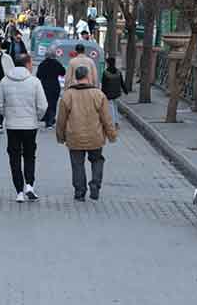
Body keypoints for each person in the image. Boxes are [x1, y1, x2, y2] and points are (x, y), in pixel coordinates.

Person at [56, 66, 118, 201]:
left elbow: (61, 119)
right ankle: (95, 184)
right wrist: (111, 135)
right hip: (95, 137)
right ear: (88, 77)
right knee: (97, 160)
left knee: (77, 164)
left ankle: (80, 192)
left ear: (75, 78)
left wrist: (60, 137)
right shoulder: (98, 95)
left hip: (74, 137)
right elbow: (107, 118)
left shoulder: (68, 95)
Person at [0, 53, 47, 203]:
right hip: (30, 125)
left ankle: (19, 191)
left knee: (14, 157)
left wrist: (8, 114)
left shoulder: (5, 81)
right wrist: (36, 117)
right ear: (28, 64)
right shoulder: (34, 82)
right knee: (30, 155)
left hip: (12, 125)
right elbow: (43, 106)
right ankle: (29, 185)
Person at [36, 53, 67, 129]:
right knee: (53, 103)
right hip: (54, 86)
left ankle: (46, 119)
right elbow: (63, 72)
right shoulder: (56, 63)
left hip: (44, 86)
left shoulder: (42, 64)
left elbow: (38, 75)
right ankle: (51, 120)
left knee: (45, 102)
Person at [101, 57, 128, 129]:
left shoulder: (106, 73)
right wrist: (125, 91)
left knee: (111, 108)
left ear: (108, 63)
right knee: (115, 108)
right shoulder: (118, 72)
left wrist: (102, 94)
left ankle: (112, 124)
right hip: (117, 93)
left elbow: (104, 85)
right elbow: (122, 82)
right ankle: (117, 123)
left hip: (108, 94)